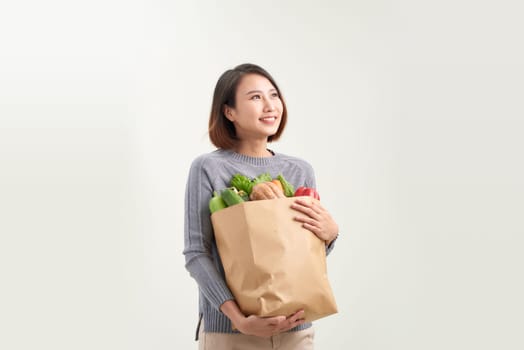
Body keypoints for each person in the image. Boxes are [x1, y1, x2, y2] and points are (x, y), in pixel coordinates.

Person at [183, 63, 339, 349]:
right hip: (231, 334)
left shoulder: (299, 170)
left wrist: (330, 236)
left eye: (274, 95)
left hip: (296, 328)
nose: (269, 106)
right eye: (255, 98)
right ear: (229, 112)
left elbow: (302, 252)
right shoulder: (209, 168)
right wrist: (238, 318)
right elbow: (197, 253)